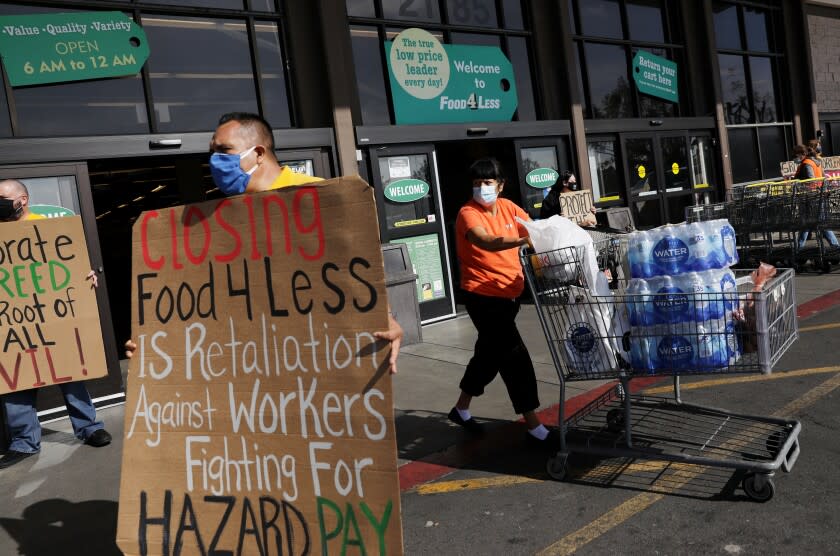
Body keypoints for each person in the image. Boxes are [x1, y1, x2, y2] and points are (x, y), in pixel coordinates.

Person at [125, 112, 404, 373]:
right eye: (212, 152)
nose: (214, 161)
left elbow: (358, 269)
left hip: (322, 359)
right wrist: (156, 343)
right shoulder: (217, 222)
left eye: (223, 151)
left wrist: (385, 317)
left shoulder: (319, 199)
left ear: (258, 153)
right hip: (256, 369)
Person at [0, 179, 112, 470]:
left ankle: (89, 427)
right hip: (16, 320)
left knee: (70, 370)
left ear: (22, 200)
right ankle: (24, 441)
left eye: (2, 197)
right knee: (17, 377)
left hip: (55, 316)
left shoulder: (51, 228)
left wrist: (84, 275)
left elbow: (70, 263)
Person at [447, 158, 558, 450]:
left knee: (488, 355)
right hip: (483, 296)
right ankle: (534, 426)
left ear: (500, 185)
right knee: (514, 357)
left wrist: (564, 227)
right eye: (476, 183)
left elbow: (535, 228)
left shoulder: (509, 207)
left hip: (509, 295)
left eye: (487, 182)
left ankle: (461, 409)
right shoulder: (467, 214)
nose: (481, 188)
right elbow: (487, 241)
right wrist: (523, 241)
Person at [793, 143, 840, 250]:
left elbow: (811, 179)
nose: (796, 158)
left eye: (796, 155)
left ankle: (798, 248)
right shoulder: (816, 162)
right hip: (817, 196)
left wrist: (799, 184)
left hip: (811, 197)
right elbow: (823, 177)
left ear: (802, 154)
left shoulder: (807, 164)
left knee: (809, 223)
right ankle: (835, 246)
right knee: (816, 223)